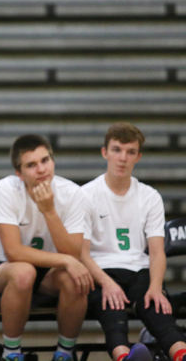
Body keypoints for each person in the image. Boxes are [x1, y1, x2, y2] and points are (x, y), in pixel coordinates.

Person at [0, 135, 93, 361]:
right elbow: (14, 252)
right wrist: (68, 261)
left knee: (74, 279)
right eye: (31, 165)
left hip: (47, 271)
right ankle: (11, 353)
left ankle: (65, 353)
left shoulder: (72, 193)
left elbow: (73, 253)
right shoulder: (6, 189)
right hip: (1, 269)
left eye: (45, 160)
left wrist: (49, 211)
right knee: (24, 272)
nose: (41, 169)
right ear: (19, 174)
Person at [80, 123, 186, 361]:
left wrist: (156, 287)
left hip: (138, 269)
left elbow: (157, 252)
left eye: (130, 152)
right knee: (113, 313)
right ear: (104, 152)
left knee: (159, 308)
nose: (122, 158)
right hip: (101, 271)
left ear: (138, 156)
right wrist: (106, 283)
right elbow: (82, 253)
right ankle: (127, 358)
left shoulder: (149, 196)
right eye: (117, 150)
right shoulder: (86, 194)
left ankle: (181, 354)